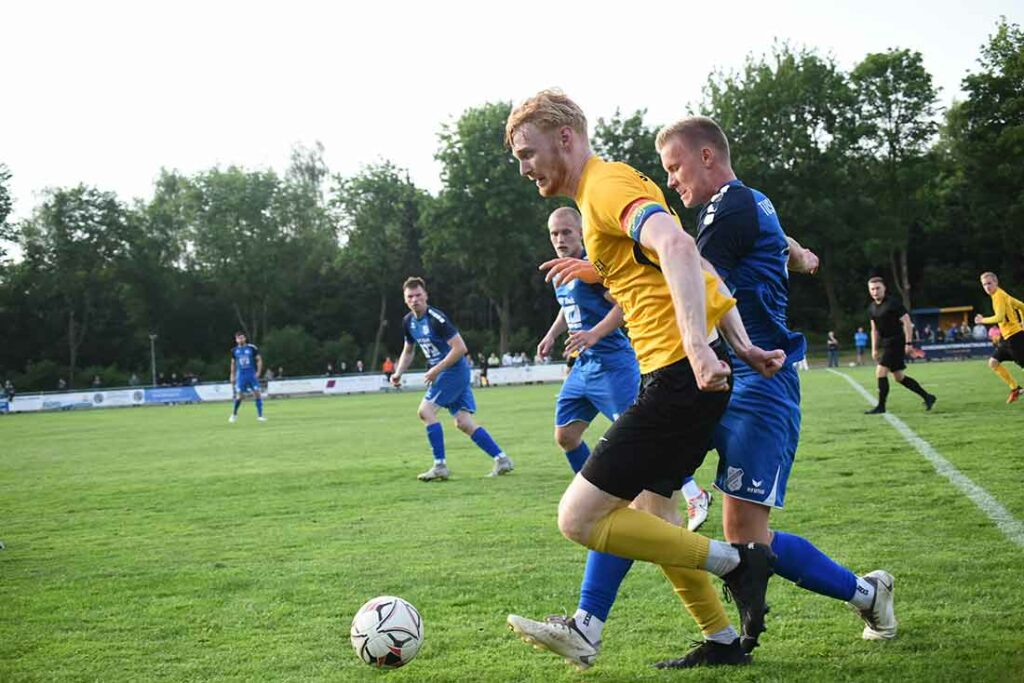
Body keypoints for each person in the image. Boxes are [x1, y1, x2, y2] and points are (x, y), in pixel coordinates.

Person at [505, 90, 786, 670]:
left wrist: (698, 350)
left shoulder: (605, 188)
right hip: (681, 374)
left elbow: (680, 245)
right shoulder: (598, 195)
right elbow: (697, 268)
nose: (525, 168)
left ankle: (739, 564)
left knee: (578, 518)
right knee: (654, 519)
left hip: (677, 379)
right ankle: (723, 640)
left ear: (565, 138)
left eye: (529, 153)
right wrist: (740, 345)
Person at [654, 116, 897, 653]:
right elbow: (771, 236)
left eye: (675, 167)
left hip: (759, 380)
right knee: (643, 489)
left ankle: (867, 593)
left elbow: (695, 277)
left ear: (708, 157)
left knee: (746, 538)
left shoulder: (727, 207)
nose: (672, 180)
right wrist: (801, 253)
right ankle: (589, 620)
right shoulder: (752, 200)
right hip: (727, 378)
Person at [511, 205, 720, 666]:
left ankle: (697, 501)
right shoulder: (566, 274)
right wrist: (553, 336)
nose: (561, 238)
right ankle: (721, 634)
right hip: (585, 370)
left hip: (619, 367)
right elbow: (570, 313)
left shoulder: (597, 269)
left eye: (568, 231)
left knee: (647, 505)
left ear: (582, 235)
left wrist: (594, 334)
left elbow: (626, 305)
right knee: (567, 437)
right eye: (555, 233)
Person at [391, 277, 513, 480]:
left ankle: (440, 465)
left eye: (418, 295)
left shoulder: (436, 319)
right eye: (410, 297)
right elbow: (409, 350)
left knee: (425, 411)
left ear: (426, 295)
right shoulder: (408, 322)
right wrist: (398, 372)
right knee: (463, 422)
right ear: (405, 299)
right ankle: (502, 459)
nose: (415, 300)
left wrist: (436, 369)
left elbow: (460, 348)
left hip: (453, 371)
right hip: (446, 373)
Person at [865, 278, 936, 413]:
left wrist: (908, 342)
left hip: (896, 341)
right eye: (872, 289)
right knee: (899, 377)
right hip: (886, 343)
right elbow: (874, 330)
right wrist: (874, 348)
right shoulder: (872, 308)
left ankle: (881, 406)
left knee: (880, 372)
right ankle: (928, 397)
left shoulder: (893, 303)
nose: (875, 291)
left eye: (878, 288)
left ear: (884, 288)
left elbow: (907, 322)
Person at [974, 272, 1024, 403]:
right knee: (993, 362)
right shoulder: (1001, 294)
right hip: (1007, 339)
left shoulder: (999, 296)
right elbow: (1021, 306)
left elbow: (999, 317)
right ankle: (1015, 388)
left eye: (989, 283)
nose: (987, 287)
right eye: (984, 284)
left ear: (996, 282)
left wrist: (982, 320)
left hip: (1015, 338)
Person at [229, 331, 266, 423]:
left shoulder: (252, 348)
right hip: (241, 376)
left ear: (245, 338)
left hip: (251, 375)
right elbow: (233, 364)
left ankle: (260, 416)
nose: (241, 339)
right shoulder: (234, 351)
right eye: (239, 338)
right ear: (236, 340)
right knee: (239, 396)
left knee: (257, 393)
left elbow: (259, 360)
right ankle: (234, 414)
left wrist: (258, 372)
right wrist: (232, 375)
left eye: (242, 337)